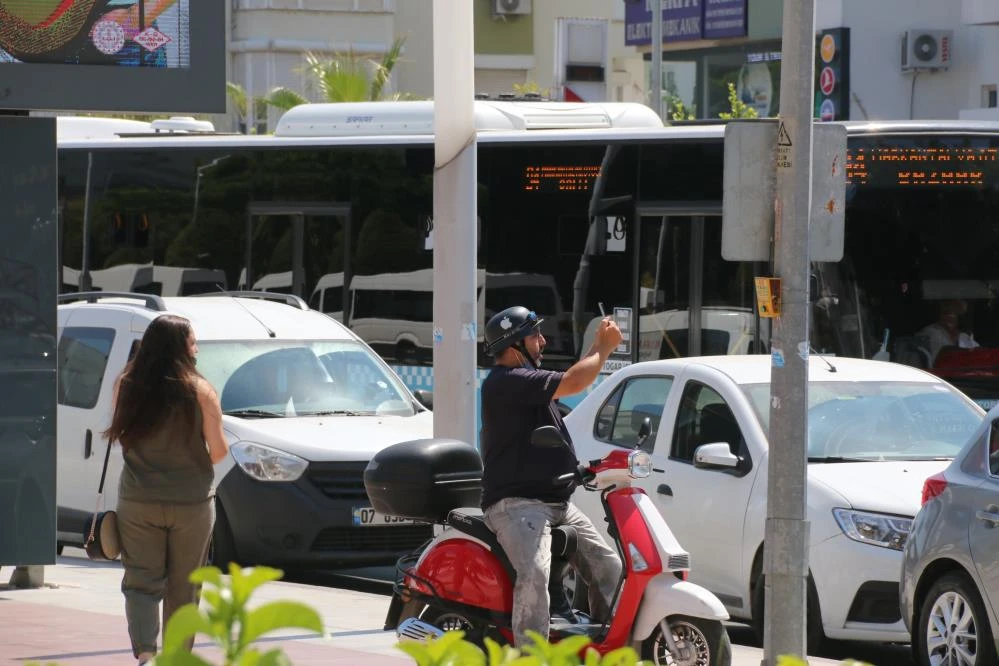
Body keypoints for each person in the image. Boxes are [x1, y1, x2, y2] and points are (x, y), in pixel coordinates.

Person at [479, 305, 624, 648]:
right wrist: (603, 347)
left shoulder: (526, 382)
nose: (543, 341)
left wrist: (598, 345)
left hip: (556, 502)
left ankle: (607, 648)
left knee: (609, 567)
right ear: (514, 345)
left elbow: (574, 376)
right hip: (517, 505)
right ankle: (531, 657)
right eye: (535, 335)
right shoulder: (507, 382)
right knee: (535, 575)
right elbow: (575, 381)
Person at [103, 314, 229, 664]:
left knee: (141, 583)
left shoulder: (125, 384)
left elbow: (122, 436)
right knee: (184, 588)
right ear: (180, 347)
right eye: (193, 342)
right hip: (191, 502)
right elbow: (218, 452)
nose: (197, 349)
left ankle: (145, 656)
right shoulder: (200, 391)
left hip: (138, 500)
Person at [917, 299, 979, 365]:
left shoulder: (964, 336)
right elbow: (938, 362)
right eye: (947, 313)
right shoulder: (931, 333)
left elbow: (978, 356)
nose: (951, 317)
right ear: (939, 314)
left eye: (955, 313)